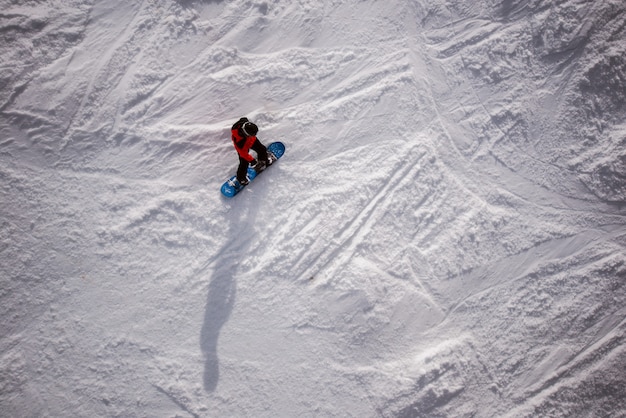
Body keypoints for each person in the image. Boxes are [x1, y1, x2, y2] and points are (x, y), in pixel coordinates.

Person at [230, 117, 272, 185]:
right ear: (246, 134)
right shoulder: (240, 143)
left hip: (251, 140)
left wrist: (252, 136)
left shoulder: (244, 123)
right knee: (244, 162)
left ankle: (262, 161)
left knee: (262, 149)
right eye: (252, 134)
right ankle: (241, 178)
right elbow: (243, 154)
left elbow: (243, 118)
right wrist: (252, 161)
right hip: (244, 147)